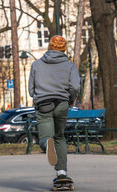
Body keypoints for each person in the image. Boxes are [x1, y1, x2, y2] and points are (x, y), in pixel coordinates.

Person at [28, 35, 80, 182]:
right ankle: (61, 173)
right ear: (64, 49)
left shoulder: (36, 65)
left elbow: (31, 90)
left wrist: (41, 93)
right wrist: (70, 99)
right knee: (59, 137)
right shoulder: (70, 66)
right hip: (62, 104)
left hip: (43, 104)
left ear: (49, 47)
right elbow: (75, 86)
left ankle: (46, 144)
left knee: (46, 137)